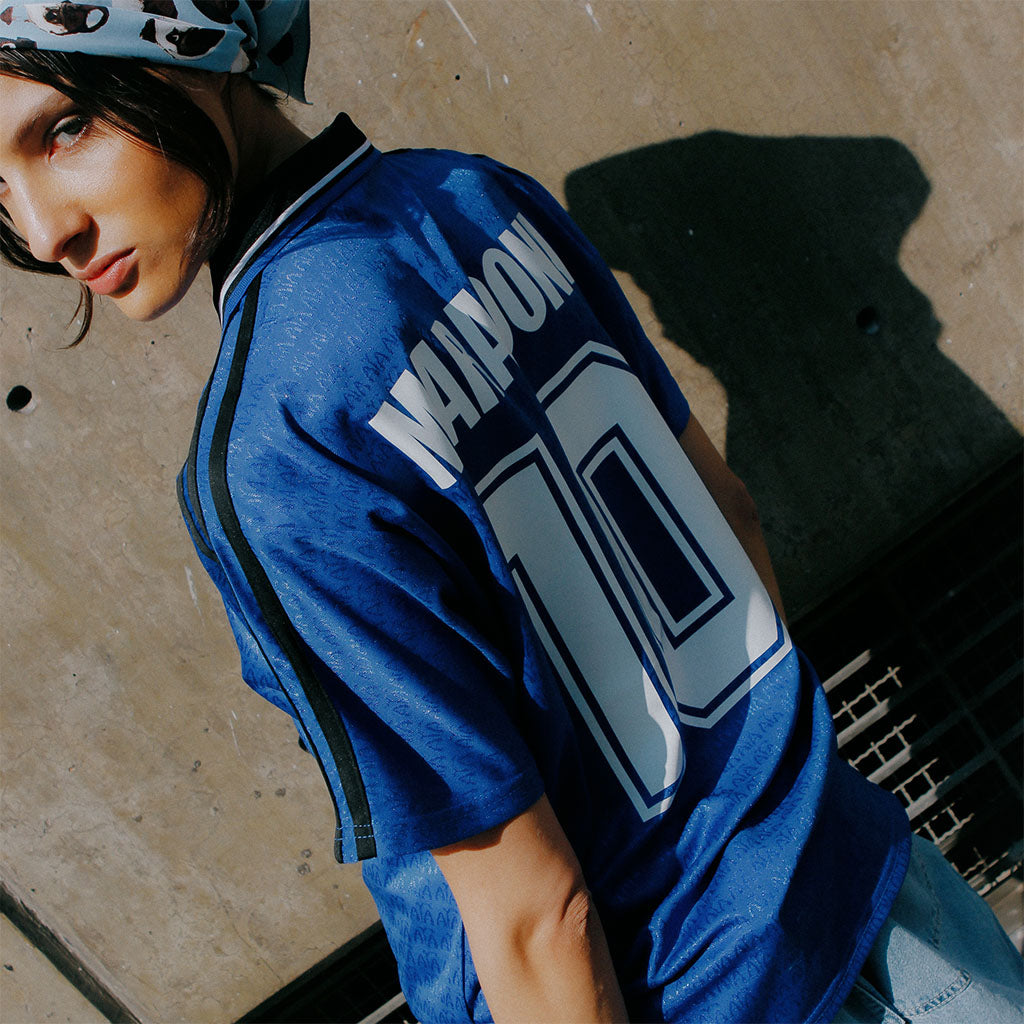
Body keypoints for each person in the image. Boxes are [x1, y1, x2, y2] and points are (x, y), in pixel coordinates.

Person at [1, 3, 1020, 1021]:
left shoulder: (277, 452)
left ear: (185, 37)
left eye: (65, 127)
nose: (47, 233)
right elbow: (730, 511)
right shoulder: (475, 196)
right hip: (887, 898)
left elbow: (539, 915)